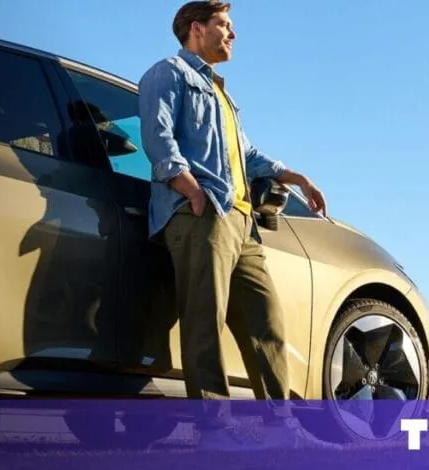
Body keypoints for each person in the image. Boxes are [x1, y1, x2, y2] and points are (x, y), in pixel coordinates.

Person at [138, 0, 330, 451]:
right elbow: (158, 138)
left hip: (243, 222)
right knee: (204, 321)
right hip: (201, 215)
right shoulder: (168, 73)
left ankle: (281, 427)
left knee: (267, 321)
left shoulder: (221, 93)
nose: (233, 34)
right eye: (224, 25)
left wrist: (295, 176)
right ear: (196, 28)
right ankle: (213, 431)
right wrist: (191, 191)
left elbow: (247, 155)